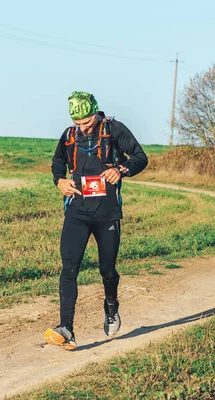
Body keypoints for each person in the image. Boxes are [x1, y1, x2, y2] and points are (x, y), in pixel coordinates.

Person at [45, 91, 148, 350]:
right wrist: (60, 181)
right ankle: (66, 328)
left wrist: (120, 169)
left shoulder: (114, 129)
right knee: (69, 268)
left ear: (96, 112)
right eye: (78, 123)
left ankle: (111, 306)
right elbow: (58, 162)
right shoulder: (69, 136)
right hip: (77, 211)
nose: (83, 128)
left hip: (107, 214)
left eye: (87, 122)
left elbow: (140, 157)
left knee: (107, 269)